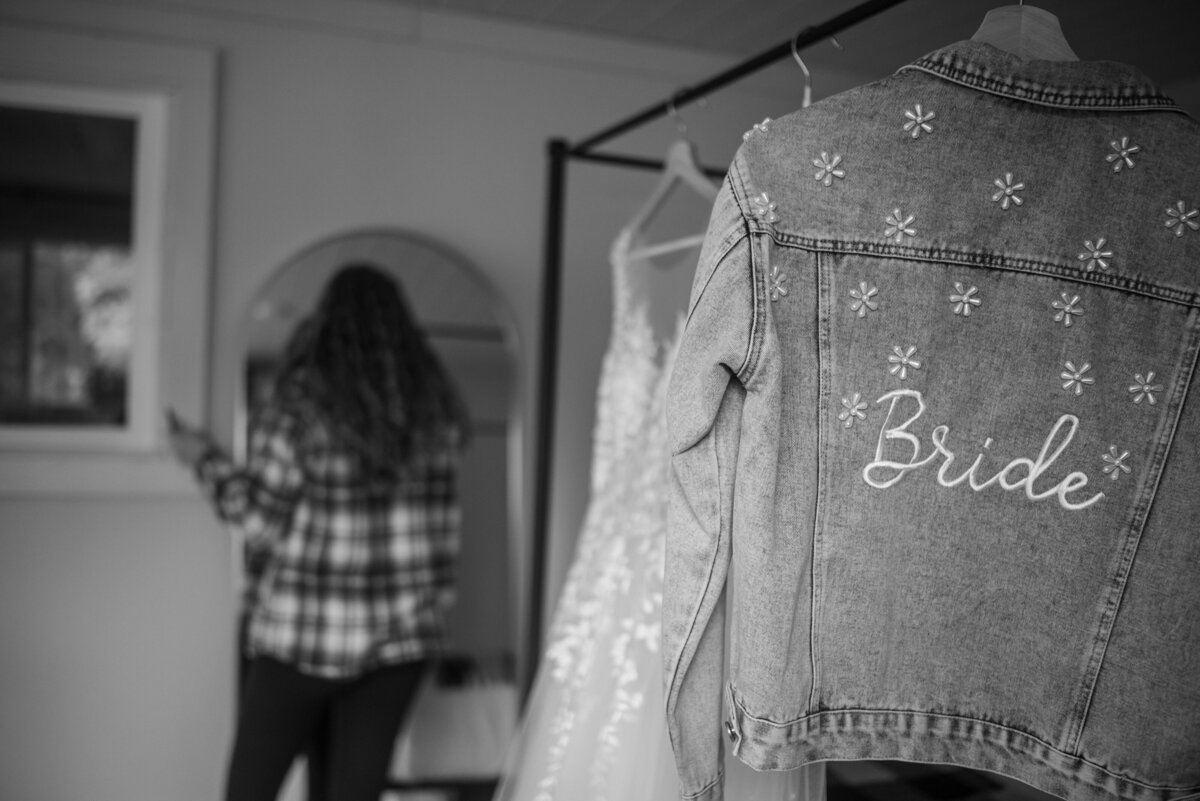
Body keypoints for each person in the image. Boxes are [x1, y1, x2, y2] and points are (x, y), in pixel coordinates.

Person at [168, 263, 469, 801]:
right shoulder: (433, 405)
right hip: (403, 642)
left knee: (249, 792)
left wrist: (203, 461)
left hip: (303, 640)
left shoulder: (303, 403)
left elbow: (258, 521)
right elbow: (443, 536)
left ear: (328, 322)